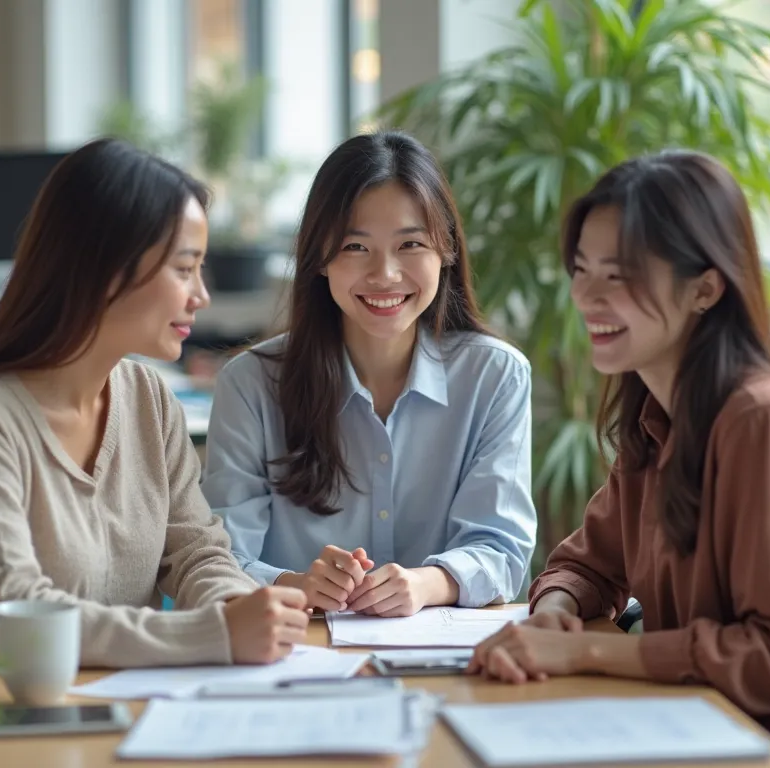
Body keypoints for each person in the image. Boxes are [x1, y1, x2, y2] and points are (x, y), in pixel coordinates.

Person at [467, 150, 770, 766]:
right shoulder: (654, 412)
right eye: (582, 269)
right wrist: (554, 613)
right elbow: (588, 564)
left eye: (621, 275)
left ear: (706, 288)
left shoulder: (761, 421)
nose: (589, 296)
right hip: (677, 723)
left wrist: (585, 653)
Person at [0, 138, 309, 669]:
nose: (201, 295)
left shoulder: (150, 398)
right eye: (185, 269)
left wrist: (236, 605)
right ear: (107, 270)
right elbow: (12, 615)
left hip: (117, 710)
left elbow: (195, 550)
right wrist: (214, 633)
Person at [201, 131, 538, 618]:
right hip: (295, 657)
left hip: (446, 663)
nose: (384, 274)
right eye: (356, 246)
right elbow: (220, 557)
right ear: (319, 257)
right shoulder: (250, 385)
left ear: (446, 252)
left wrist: (426, 583)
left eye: (411, 244)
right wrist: (296, 584)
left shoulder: (495, 377)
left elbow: (503, 551)